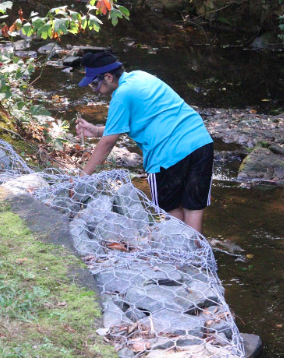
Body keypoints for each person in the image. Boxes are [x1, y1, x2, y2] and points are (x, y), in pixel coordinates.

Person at [76, 51, 213, 233]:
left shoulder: (121, 96)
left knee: (171, 209)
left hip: (167, 154)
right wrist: (96, 130)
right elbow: (137, 120)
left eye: (95, 83)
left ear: (108, 77)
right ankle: (196, 256)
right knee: (193, 207)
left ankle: (180, 256)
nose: (94, 90)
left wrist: (83, 176)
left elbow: (108, 143)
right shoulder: (141, 76)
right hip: (200, 142)